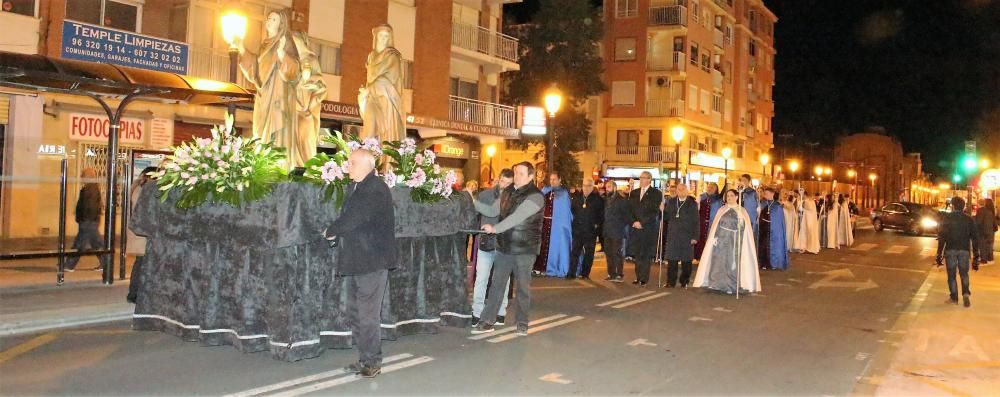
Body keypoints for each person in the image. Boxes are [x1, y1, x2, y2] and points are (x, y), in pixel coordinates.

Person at [324, 149, 398, 378]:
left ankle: (372, 361)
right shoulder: (358, 186)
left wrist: (332, 231)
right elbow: (353, 218)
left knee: (367, 314)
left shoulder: (374, 188)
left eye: (353, 162)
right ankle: (365, 358)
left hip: (372, 262)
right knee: (355, 312)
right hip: (359, 260)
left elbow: (355, 218)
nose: (348, 166)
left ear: (368, 164)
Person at [471, 162, 545, 335]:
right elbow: (491, 211)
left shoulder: (536, 196)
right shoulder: (507, 192)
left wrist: (495, 229)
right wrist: (472, 201)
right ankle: (488, 320)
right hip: (505, 245)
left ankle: (522, 322)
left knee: (523, 288)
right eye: (516, 172)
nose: (517, 176)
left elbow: (517, 217)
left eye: (520, 173)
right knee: (497, 284)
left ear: (530, 176)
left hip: (525, 248)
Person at [692, 189, 762, 294]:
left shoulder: (742, 211)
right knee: (718, 262)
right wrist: (714, 238)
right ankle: (716, 283)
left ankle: (731, 285)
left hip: (734, 240)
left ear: (737, 197)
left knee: (732, 263)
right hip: (721, 240)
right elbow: (715, 225)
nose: (729, 198)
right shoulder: (721, 210)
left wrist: (740, 224)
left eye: (732, 196)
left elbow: (746, 229)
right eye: (727, 196)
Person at [471, 170, 513, 327]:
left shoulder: (514, 197)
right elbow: (475, 215)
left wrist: (471, 200)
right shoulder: (485, 195)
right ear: (498, 180)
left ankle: (501, 312)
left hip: (505, 244)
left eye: (509, 183)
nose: (505, 186)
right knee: (481, 278)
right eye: (503, 182)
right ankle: (477, 312)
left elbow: (491, 211)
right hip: (486, 242)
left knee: (503, 280)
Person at [358, 24, 405, 142]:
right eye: (381, 35)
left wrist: (371, 88)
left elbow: (391, 78)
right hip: (372, 98)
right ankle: (368, 158)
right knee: (369, 130)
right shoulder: (371, 56)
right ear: (376, 37)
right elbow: (369, 78)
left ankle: (385, 159)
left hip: (387, 99)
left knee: (386, 135)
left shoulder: (392, 56)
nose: (384, 38)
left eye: (386, 36)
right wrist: (365, 93)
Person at [934, 197, 980, 307]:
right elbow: (975, 238)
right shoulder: (969, 220)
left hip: (951, 250)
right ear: (963, 206)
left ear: (953, 206)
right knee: (964, 274)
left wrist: (939, 253)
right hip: (964, 250)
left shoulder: (947, 218)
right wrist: (976, 255)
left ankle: (954, 297)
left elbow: (942, 237)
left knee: (951, 275)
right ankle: (965, 293)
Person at [65, 168, 111, 272]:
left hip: (88, 221)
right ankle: (106, 263)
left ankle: (69, 265)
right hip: (90, 220)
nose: (81, 178)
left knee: (79, 244)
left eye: (83, 176)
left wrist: (84, 218)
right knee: (96, 244)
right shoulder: (92, 188)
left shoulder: (90, 189)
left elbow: (89, 206)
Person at [126, 167, 159, 303]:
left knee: (140, 263)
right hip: (141, 234)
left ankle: (135, 293)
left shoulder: (137, 188)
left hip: (138, 233)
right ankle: (134, 294)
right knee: (141, 264)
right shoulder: (143, 191)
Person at [628, 171, 663, 286]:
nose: (641, 180)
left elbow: (654, 211)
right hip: (635, 227)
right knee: (637, 253)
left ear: (649, 179)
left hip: (647, 227)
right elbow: (630, 210)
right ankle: (638, 276)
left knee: (645, 253)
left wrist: (642, 222)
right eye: (641, 178)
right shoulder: (634, 193)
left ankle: (644, 278)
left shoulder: (656, 193)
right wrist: (633, 221)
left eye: (644, 178)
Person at [535, 172, 572, 277]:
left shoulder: (564, 194)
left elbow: (565, 212)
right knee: (542, 246)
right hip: (545, 224)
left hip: (557, 225)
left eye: (554, 179)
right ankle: (540, 267)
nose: (552, 181)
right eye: (551, 179)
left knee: (554, 247)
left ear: (560, 180)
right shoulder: (545, 191)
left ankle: (554, 267)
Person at [662, 183, 699, 288]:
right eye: (679, 189)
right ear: (677, 191)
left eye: (683, 189)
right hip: (673, 234)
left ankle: (684, 281)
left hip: (687, 235)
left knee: (686, 261)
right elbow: (666, 217)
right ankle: (670, 282)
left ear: (686, 191)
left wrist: (695, 237)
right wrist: (662, 210)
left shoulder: (692, 203)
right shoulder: (671, 201)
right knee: (672, 260)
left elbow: (696, 221)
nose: (681, 191)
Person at [569, 178, 604, 279]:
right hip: (578, 230)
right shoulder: (577, 197)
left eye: (589, 186)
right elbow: (573, 210)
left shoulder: (598, 199)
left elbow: (601, 215)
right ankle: (571, 273)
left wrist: (596, 226)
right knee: (575, 252)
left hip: (590, 231)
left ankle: (585, 274)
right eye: (584, 185)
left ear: (593, 187)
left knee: (589, 254)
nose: (586, 188)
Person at [603, 181, 630, 282]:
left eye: (609, 187)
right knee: (609, 253)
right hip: (607, 231)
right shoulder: (606, 199)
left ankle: (619, 274)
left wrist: (620, 225)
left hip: (617, 231)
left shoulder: (621, 200)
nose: (607, 189)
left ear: (614, 187)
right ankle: (611, 274)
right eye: (606, 187)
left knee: (617, 253)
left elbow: (626, 215)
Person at [758, 187, 790, 270]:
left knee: (772, 246)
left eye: (767, 194)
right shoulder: (763, 203)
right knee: (763, 246)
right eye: (765, 194)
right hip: (764, 228)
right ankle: (763, 263)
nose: (765, 195)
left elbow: (778, 221)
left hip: (773, 229)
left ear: (772, 194)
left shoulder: (777, 206)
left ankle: (773, 263)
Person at [695, 182, 723, 259]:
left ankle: (710, 257)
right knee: (701, 240)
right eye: (709, 187)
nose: (710, 189)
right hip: (702, 223)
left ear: (716, 189)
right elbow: (696, 210)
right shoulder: (701, 197)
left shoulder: (719, 199)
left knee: (711, 240)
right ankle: (699, 257)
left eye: (712, 187)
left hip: (713, 223)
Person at [737, 174, 759, 245]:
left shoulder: (753, 192)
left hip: (749, 217)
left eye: (745, 180)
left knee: (748, 237)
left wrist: (753, 219)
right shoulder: (737, 191)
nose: (742, 182)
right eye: (741, 180)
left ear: (749, 181)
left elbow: (756, 207)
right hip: (738, 216)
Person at [973, 198, 996, 265]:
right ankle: (990, 259)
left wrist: (973, 218)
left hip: (983, 231)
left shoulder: (980, 211)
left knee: (982, 246)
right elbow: (994, 222)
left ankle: (984, 260)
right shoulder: (990, 211)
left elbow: (978, 222)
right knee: (989, 246)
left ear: (978, 204)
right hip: (990, 231)